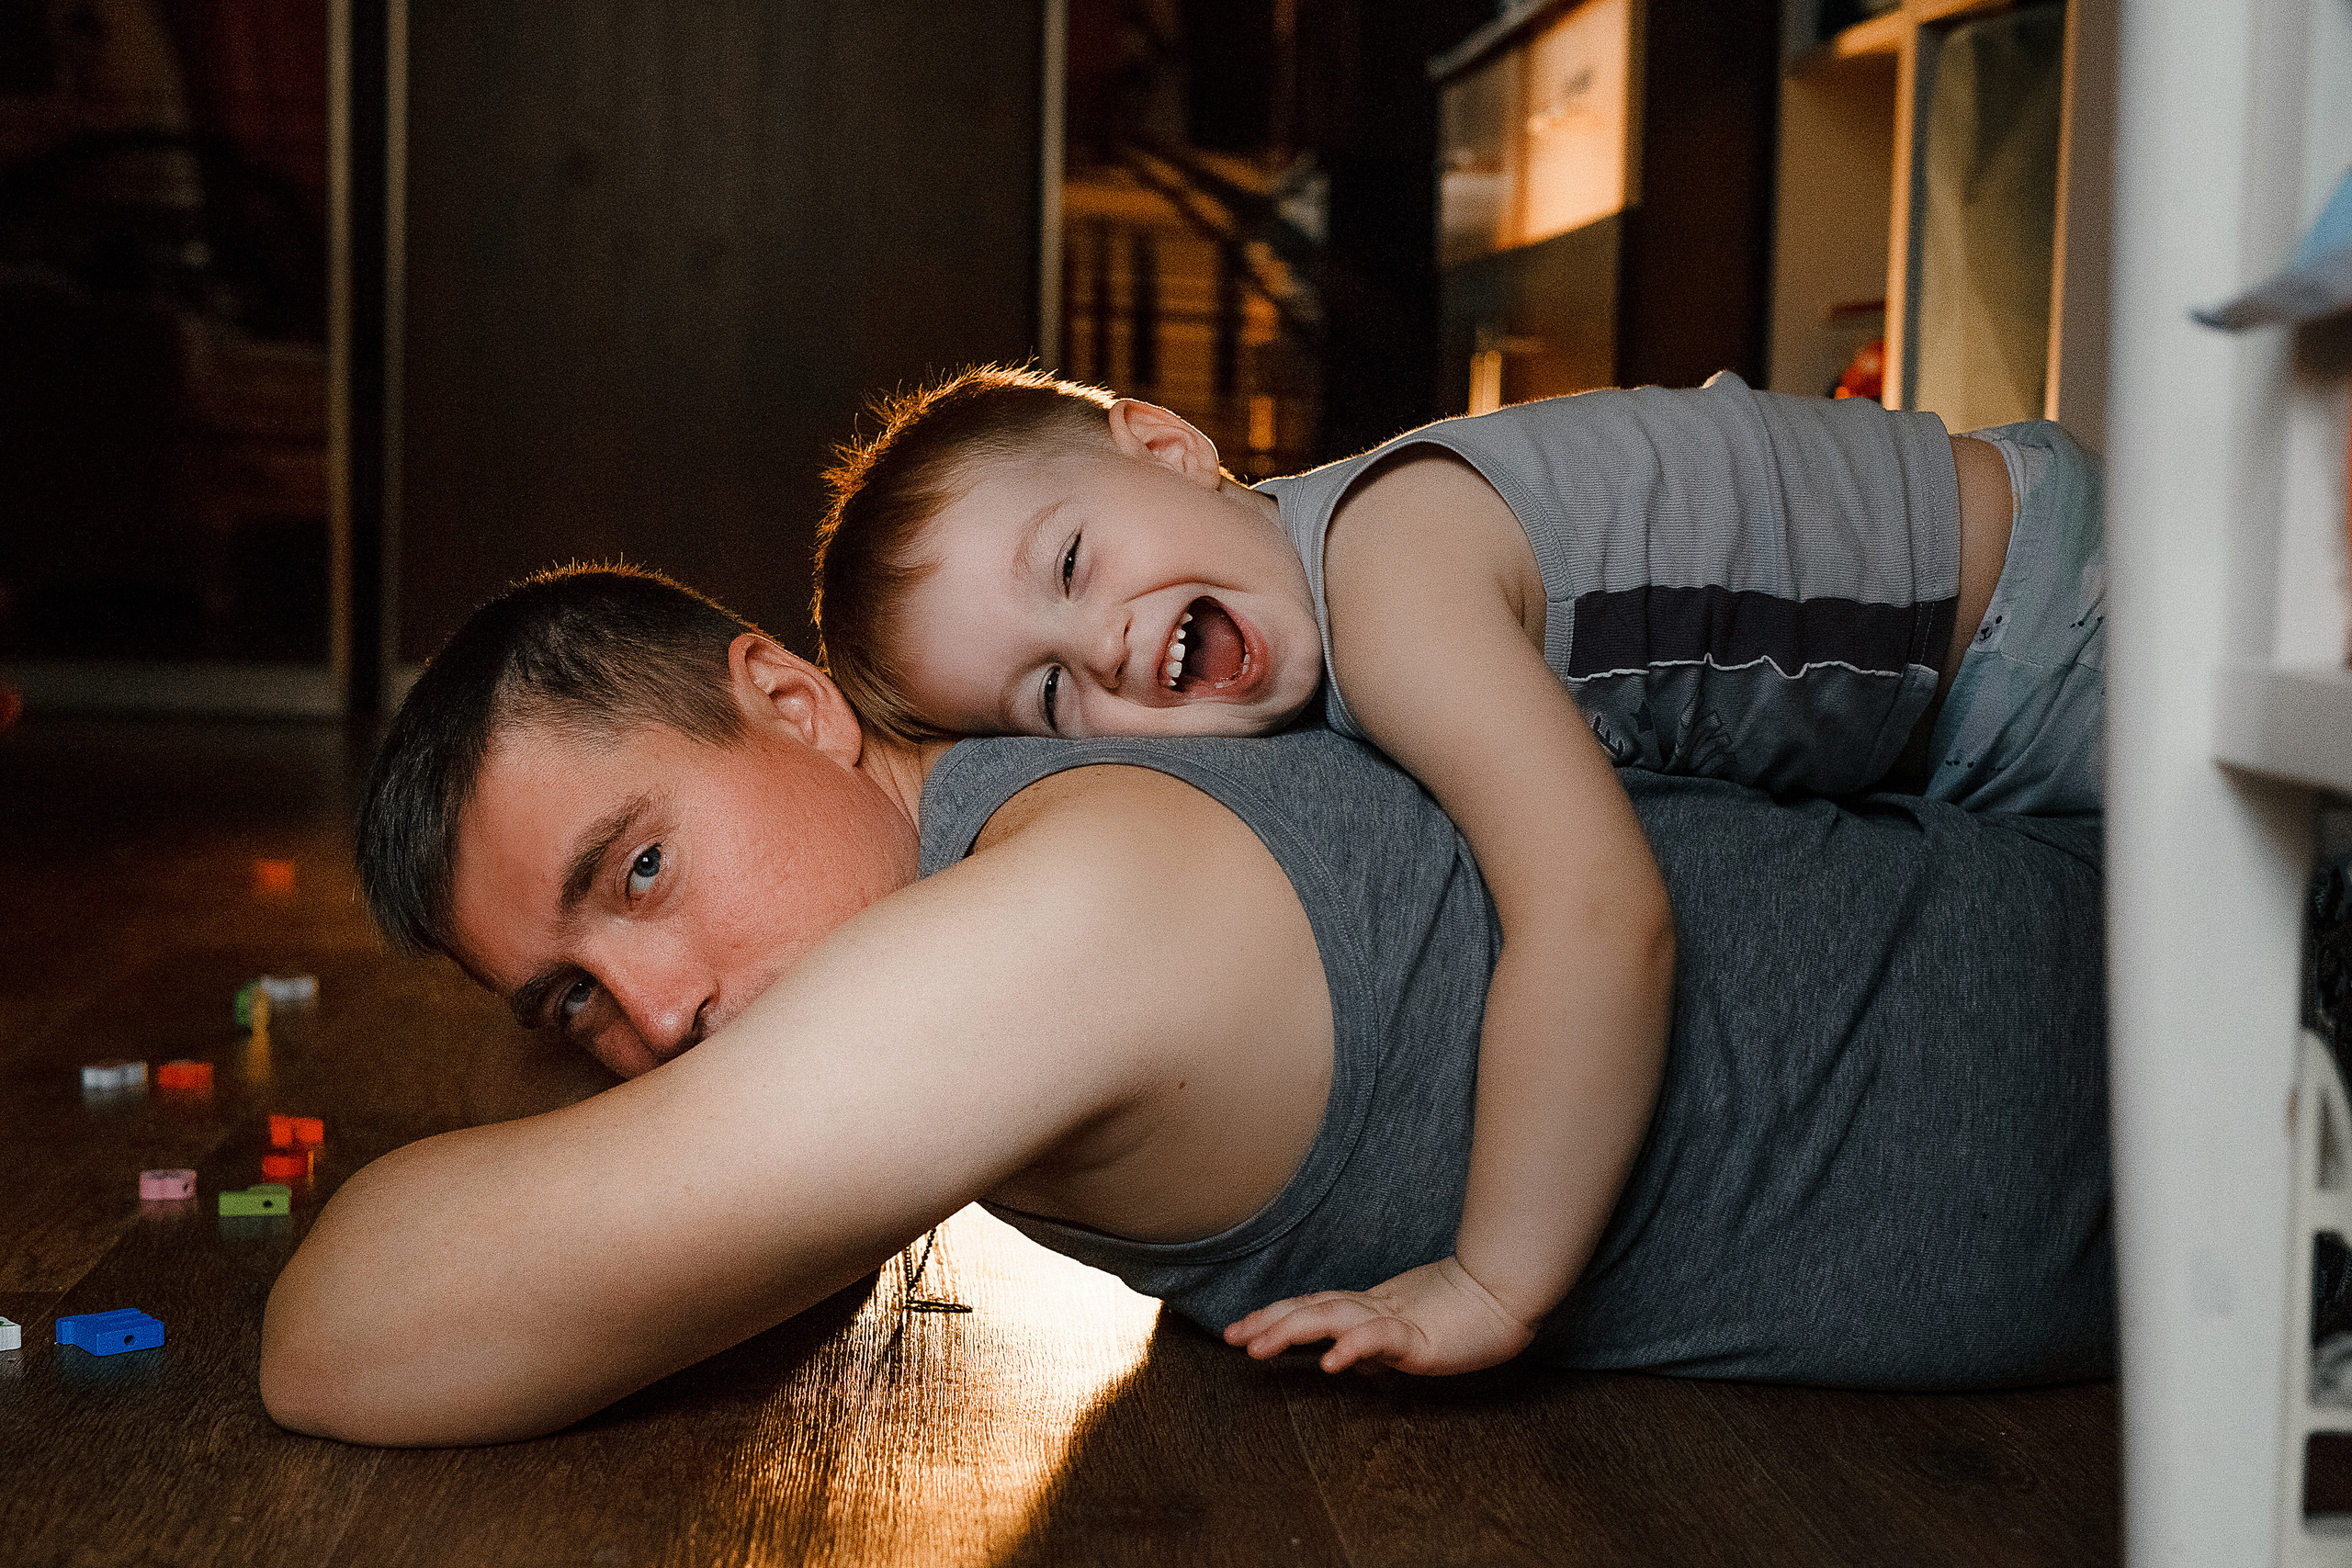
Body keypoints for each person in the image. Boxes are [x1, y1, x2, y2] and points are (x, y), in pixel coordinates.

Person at [259, 565, 2110, 1450]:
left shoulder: (1062, 914)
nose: (652, 1016)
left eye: (640, 867)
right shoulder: (1012, 848)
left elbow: (342, 1335)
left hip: (2244, 1073)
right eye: (567, 994)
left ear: (796, 702)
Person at [808, 367, 2108, 1375]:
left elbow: (1599, 919)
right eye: (1044, 692)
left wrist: (1495, 1279)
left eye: (1075, 563)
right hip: (1966, 711)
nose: (1107, 643)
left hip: (2062, 628)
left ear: (1168, 445)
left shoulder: (1392, 580)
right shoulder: (1302, 596)